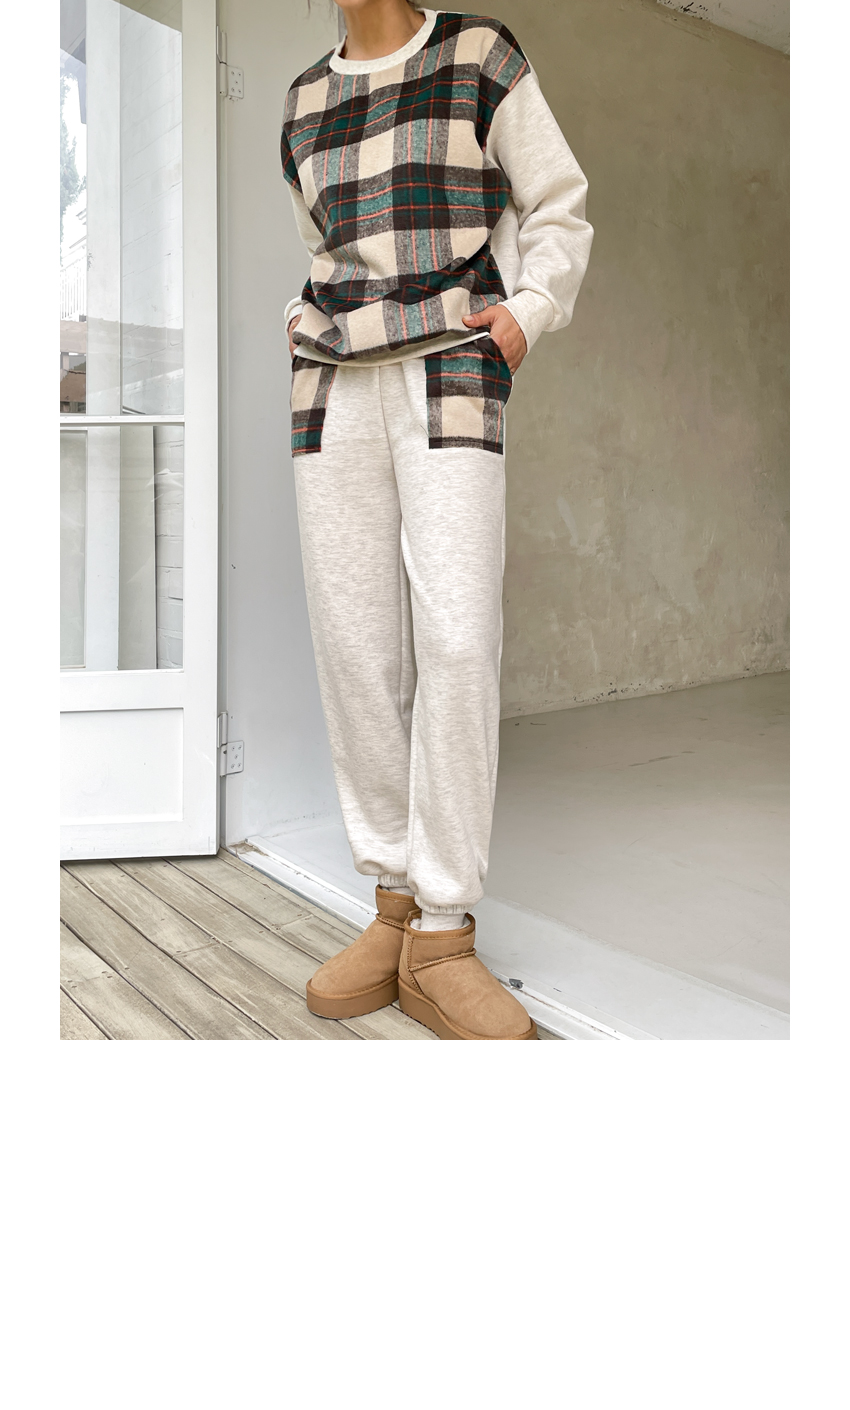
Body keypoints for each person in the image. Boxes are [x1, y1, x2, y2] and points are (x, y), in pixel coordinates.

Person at [281, 0, 593, 1039]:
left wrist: (529, 312)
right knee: (356, 644)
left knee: (456, 639)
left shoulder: (478, 54)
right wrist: (298, 319)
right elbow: (323, 249)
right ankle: (392, 903)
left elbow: (558, 201)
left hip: (451, 368)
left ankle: (445, 927)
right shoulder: (303, 103)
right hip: (333, 385)